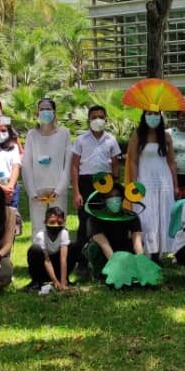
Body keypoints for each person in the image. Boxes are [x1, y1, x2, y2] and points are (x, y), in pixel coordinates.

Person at [70, 105, 123, 266]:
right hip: (86, 182)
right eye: (94, 117)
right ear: (88, 120)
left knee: (105, 219)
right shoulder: (81, 140)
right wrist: (76, 192)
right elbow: (74, 166)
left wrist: (114, 185)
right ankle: (82, 262)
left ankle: (105, 259)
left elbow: (115, 164)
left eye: (101, 117)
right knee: (84, 221)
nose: (97, 120)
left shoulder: (111, 140)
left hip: (106, 183)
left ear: (105, 119)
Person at [127, 110, 178, 262]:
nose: (153, 116)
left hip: (164, 181)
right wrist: (134, 183)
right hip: (144, 180)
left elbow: (171, 162)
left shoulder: (166, 137)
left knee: (163, 214)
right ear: (144, 116)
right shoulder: (137, 136)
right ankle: (147, 250)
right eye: (149, 113)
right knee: (147, 216)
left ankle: (159, 252)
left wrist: (175, 185)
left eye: (156, 113)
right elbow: (133, 161)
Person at [22, 98, 71, 238]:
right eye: (42, 109)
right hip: (37, 189)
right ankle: (39, 257)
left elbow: (68, 163)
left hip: (57, 188)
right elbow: (26, 163)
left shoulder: (64, 133)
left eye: (48, 109)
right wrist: (31, 191)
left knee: (59, 224)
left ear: (54, 112)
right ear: (37, 113)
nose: (45, 112)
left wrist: (60, 189)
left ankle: (59, 256)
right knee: (38, 228)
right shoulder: (32, 135)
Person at [25, 206, 71, 293]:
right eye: (52, 222)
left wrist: (63, 281)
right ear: (45, 222)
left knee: (73, 247)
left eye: (59, 222)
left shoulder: (64, 233)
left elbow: (63, 259)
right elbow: (47, 261)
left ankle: (66, 280)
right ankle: (37, 281)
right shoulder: (40, 236)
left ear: (63, 222)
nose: (56, 225)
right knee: (35, 249)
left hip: (57, 264)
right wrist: (55, 281)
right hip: (43, 265)